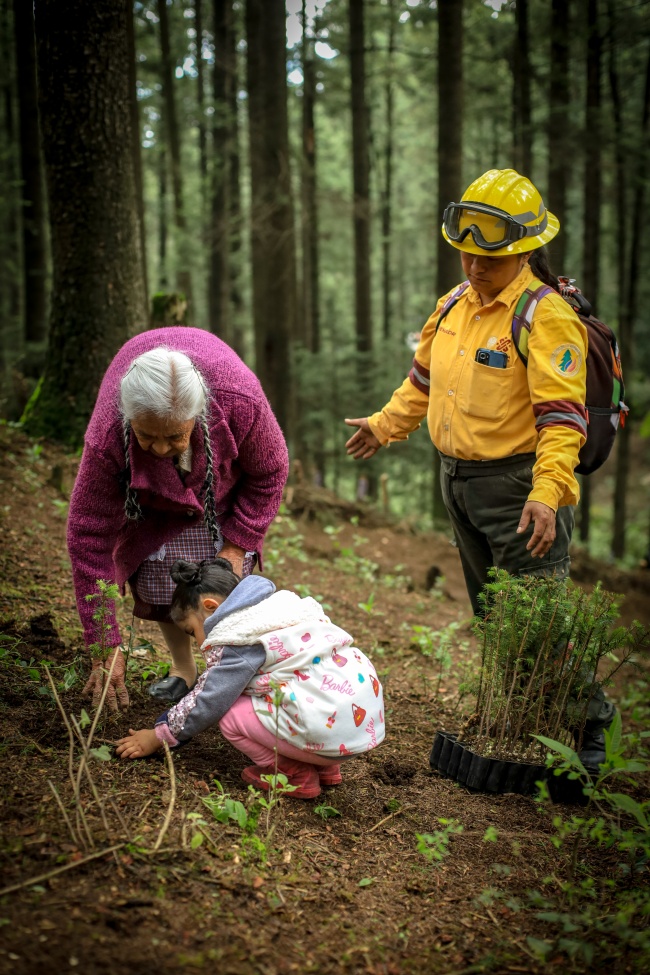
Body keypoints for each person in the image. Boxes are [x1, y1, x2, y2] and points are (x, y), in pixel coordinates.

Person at [344, 168, 614, 765]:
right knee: (494, 616)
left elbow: (563, 418)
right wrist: (384, 424)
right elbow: (422, 381)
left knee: (537, 624)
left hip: (518, 488)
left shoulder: (545, 317)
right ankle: (524, 722)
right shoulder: (453, 306)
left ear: (523, 251)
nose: (472, 269)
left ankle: (594, 725)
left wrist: (547, 493)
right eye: (465, 256)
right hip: (458, 482)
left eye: (485, 261)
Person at [67, 327, 289, 710]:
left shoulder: (239, 401)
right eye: (146, 435)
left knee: (223, 587)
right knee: (160, 577)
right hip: (149, 505)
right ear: (127, 418)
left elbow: (271, 471)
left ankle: (231, 675)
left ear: (197, 415)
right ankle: (184, 669)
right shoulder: (107, 437)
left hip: (219, 494)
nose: (159, 448)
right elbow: (88, 536)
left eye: (174, 437)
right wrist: (104, 641)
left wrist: (236, 545)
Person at [115, 559, 386, 798]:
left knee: (230, 712)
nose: (197, 642)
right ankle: (325, 767)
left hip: (329, 734)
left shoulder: (238, 638)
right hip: (357, 727)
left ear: (210, 607)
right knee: (296, 684)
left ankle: (293, 774)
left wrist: (159, 735)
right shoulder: (281, 610)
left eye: (191, 631)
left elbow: (209, 700)